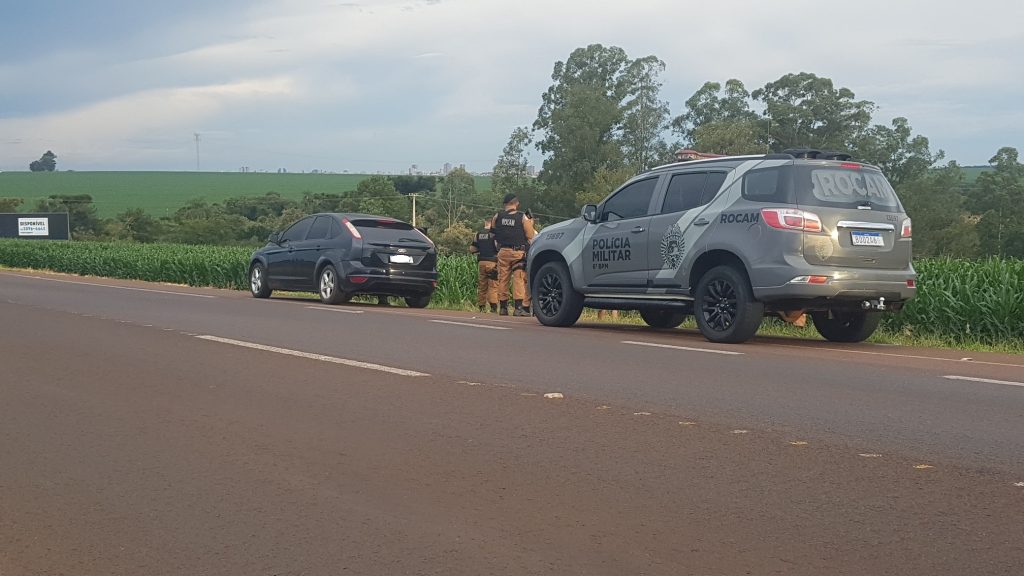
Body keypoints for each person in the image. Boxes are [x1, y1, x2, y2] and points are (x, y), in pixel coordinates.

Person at [492, 193, 535, 316]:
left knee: (503, 279)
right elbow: (530, 236)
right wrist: (531, 222)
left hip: (503, 252)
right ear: (516, 203)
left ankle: (503, 308)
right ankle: (518, 308)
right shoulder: (522, 217)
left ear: (505, 204)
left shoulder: (497, 216)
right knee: (519, 279)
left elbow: (493, 232)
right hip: (518, 253)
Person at [469, 217, 499, 313]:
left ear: (485, 222)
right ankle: (493, 308)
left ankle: (481, 307)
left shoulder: (478, 234)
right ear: (492, 223)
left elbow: (472, 249)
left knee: (482, 286)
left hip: (481, 262)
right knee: (493, 286)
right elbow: (498, 248)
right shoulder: (494, 234)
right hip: (492, 263)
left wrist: (480, 250)